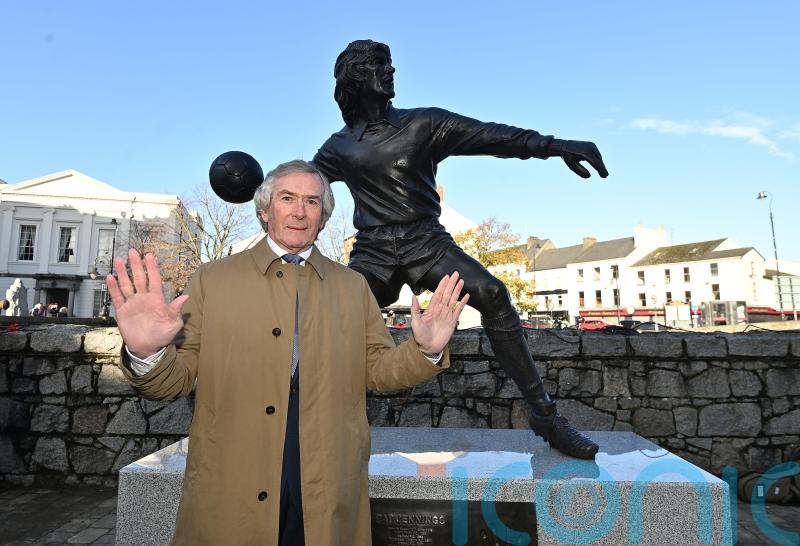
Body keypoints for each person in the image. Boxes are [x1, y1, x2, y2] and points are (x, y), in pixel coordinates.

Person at [108, 160, 468, 546]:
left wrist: (424, 351)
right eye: (288, 198)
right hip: (232, 481)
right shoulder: (213, 280)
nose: (300, 211)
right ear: (265, 210)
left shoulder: (352, 287)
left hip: (327, 482)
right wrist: (146, 352)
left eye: (312, 201)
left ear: (324, 217)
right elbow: (174, 380)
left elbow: (378, 370)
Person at [313, 39, 609, 459]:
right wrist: (257, 187)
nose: (392, 71)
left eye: (390, 63)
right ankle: (306, 421)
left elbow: (491, 137)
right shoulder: (338, 147)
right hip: (373, 251)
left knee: (492, 293)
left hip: (426, 242)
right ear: (358, 77)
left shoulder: (423, 124)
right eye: (381, 65)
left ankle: (545, 416)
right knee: (324, 311)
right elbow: (300, 186)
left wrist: (555, 145)